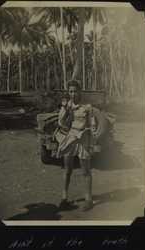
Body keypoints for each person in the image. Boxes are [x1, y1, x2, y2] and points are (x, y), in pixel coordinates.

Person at [55, 80, 96, 211]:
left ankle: (88, 200)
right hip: (71, 138)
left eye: (75, 91)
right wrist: (64, 108)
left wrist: (91, 144)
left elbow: (92, 126)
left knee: (86, 171)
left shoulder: (87, 107)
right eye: (70, 91)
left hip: (83, 138)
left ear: (80, 91)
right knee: (67, 170)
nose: (73, 94)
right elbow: (61, 123)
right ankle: (64, 198)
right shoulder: (68, 106)